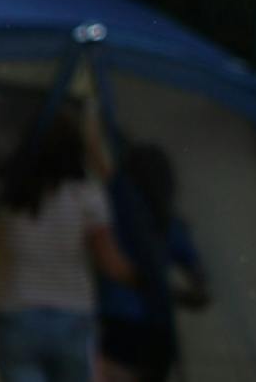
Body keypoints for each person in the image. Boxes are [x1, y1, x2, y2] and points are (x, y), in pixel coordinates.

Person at [0, 112, 137, 382]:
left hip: (16, 313)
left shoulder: (8, 193)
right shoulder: (87, 196)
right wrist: (144, 280)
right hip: (72, 317)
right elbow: (109, 262)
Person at [96, 142, 210, 382]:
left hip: (118, 321)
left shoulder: (116, 207)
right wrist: (173, 293)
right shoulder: (170, 225)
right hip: (158, 328)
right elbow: (199, 281)